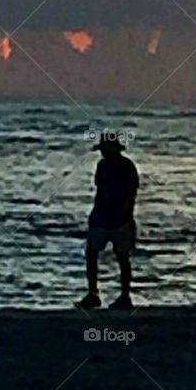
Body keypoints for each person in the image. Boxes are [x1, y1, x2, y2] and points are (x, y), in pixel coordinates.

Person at [76, 133, 139, 310]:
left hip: (115, 217)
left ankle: (119, 295)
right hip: (105, 216)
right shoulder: (106, 165)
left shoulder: (122, 166)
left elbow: (130, 192)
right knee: (98, 254)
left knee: (119, 257)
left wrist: (125, 212)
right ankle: (97, 293)